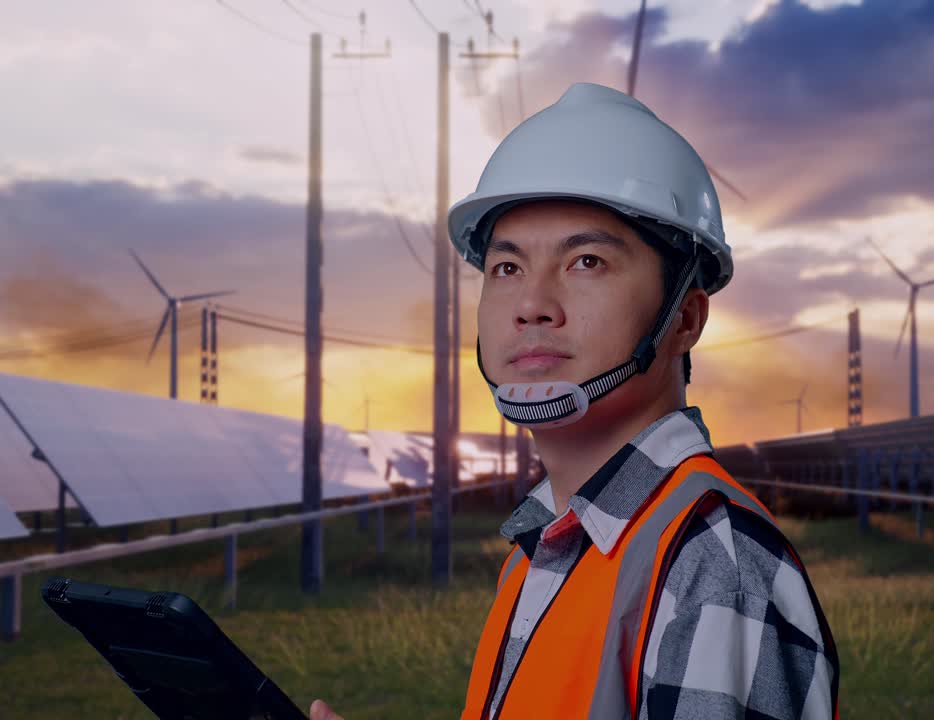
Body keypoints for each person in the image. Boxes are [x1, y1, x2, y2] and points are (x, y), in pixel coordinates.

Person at [312, 82, 838, 720]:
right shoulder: (549, 543)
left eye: (586, 261)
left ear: (686, 319)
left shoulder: (709, 562)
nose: (533, 304)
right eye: (507, 269)